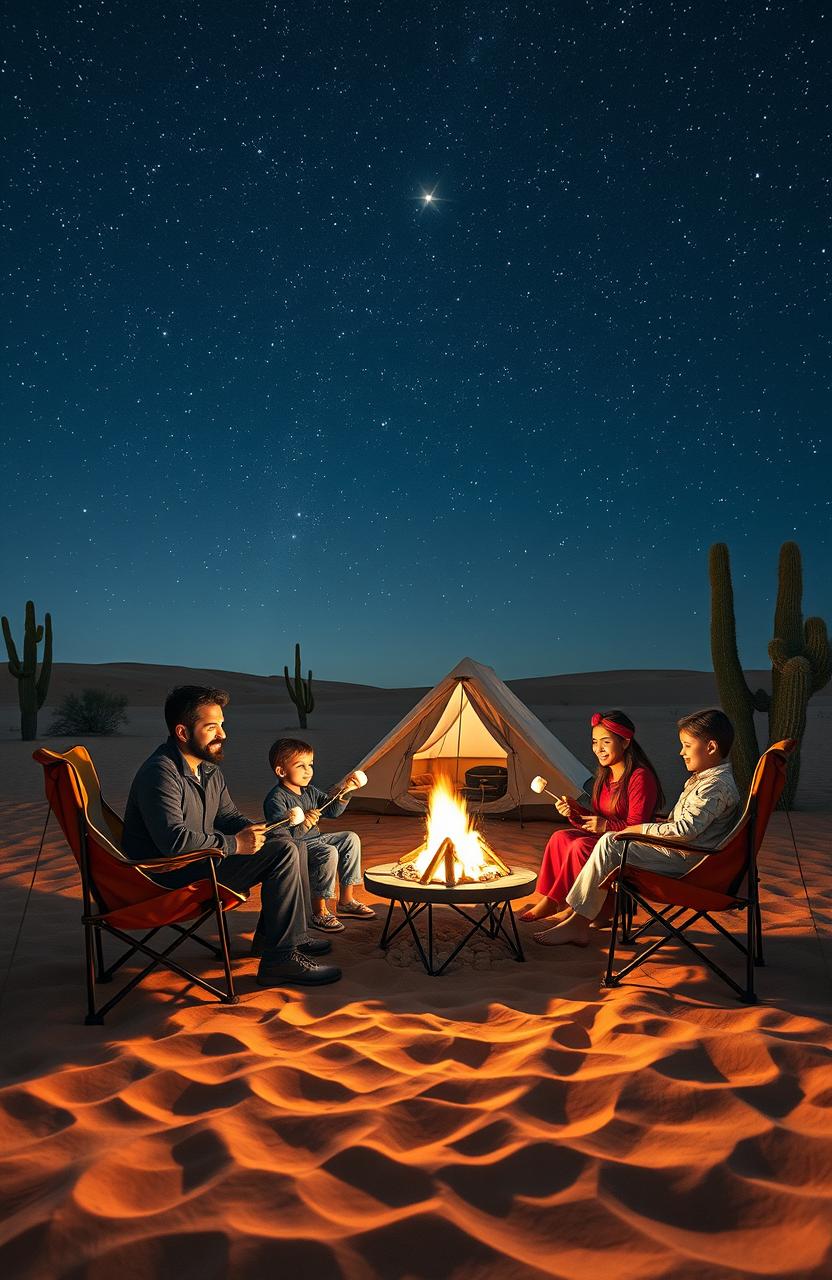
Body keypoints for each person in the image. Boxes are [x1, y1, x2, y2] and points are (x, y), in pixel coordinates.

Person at [122, 685, 341, 987]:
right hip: (167, 878)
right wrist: (237, 844)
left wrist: (261, 830)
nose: (222, 734)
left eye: (222, 725)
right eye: (211, 727)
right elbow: (173, 843)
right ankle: (280, 960)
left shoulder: (209, 770)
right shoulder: (160, 773)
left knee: (286, 843)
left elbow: (227, 817)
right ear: (183, 732)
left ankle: (278, 940)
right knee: (284, 852)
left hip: (199, 863)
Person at [534, 708, 741, 947]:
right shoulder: (704, 781)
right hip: (684, 853)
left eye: (687, 745)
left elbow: (684, 831)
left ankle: (579, 922)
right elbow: (686, 827)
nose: (681, 752)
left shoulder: (713, 786)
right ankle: (574, 910)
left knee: (610, 843)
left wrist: (641, 829)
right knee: (586, 839)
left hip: (689, 861)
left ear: (711, 748)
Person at [519, 710, 663, 922]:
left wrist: (605, 826)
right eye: (595, 742)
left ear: (624, 742)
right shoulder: (605, 776)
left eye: (606, 742)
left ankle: (576, 905)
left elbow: (637, 826)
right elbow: (598, 819)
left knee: (581, 846)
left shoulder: (640, 778)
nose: (599, 749)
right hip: (609, 838)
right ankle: (557, 899)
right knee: (561, 838)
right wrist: (576, 812)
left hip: (630, 845)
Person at [263, 738, 375, 931]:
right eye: (301, 765)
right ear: (281, 771)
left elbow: (332, 811)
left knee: (350, 838)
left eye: (310, 765)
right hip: (297, 846)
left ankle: (346, 901)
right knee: (328, 851)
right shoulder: (276, 799)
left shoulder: (310, 791)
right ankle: (319, 912)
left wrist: (346, 791)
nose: (308, 770)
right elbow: (283, 838)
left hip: (315, 839)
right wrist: (304, 823)